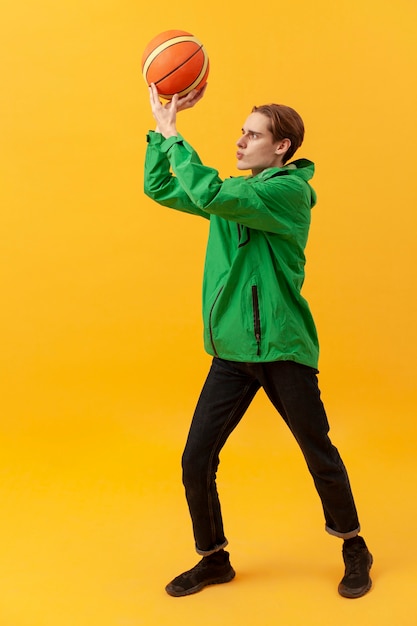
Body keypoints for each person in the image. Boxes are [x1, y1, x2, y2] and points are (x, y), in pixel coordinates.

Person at [144, 83, 373, 599]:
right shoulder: (235, 196)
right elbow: (161, 189)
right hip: (232, 352)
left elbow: (213, 193)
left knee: (317, 452)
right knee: (195, 458)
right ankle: (213, 559)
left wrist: (176, 134)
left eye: (253, 134)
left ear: (282, 146)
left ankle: (354, 547)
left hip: (282, 348)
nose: (241, 141)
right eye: (241, 132)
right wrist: (160, 139)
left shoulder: (285, 194)